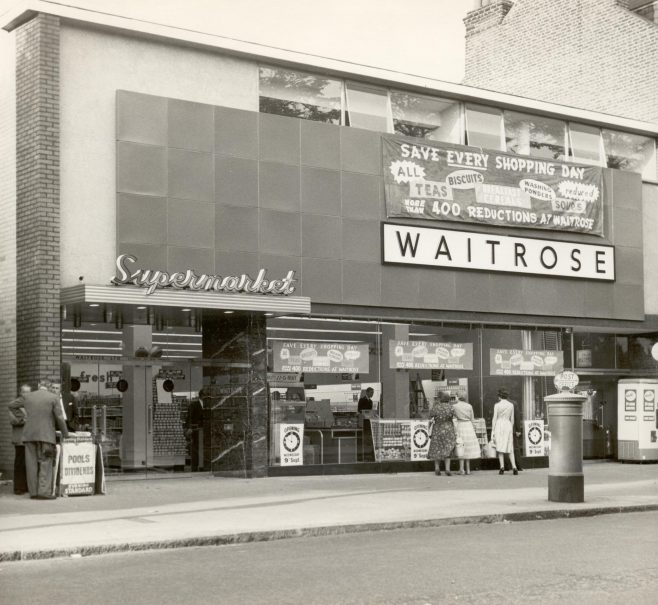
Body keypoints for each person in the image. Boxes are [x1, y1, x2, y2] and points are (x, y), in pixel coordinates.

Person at [10, 377, 69, 499]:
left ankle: (33, 492)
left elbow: (11, 405)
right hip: (46, 435)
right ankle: (44, 492)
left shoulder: (28, 397)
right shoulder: (53, 398)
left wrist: (22, 417)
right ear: (48, 386)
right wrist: (66, 433)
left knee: (31, 464)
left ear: (38, 385)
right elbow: (59, 417)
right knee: (46, 462)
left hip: (29, 435)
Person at [8, 384, 31, 495]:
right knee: (19, 463)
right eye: (25, 392)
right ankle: (18, 487)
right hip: (20, 438)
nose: (27, 394)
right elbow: (13, 421)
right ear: (20, 393)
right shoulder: (16, 405)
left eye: (29, 392)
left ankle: (26, 486)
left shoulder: (29, 405)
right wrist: (24, 419)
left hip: (29, 438)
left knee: (27, 463)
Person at [491, 388, 519, 475]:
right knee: (510, 447)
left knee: (500, 447)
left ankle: (502, 467)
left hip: (499, 425)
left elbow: (494, 418)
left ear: (500, 396)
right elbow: (512, 418)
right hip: (508, 425)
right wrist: (511, 427)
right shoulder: (511, 405)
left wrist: (493, 430)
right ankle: (514, 467)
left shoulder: (497, 405)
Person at [452, 395, 481, 475]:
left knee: (460, 447)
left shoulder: (454, 406)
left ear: (458, 397)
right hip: (469, 426)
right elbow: (472, 419)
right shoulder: (469, 406)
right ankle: (468, 469)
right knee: (468, 447)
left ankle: (461, 469)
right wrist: (474, 428)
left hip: (460, 425)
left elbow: (453, 418)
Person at [428, 395, 456, 476]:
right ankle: (447, 469)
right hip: (448, 429)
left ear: (440, 399)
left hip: (437, 429)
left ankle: (437, 468)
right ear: (448, 400)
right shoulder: (451, 407)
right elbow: (455, 417)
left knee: (437, 448)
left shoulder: (435, 407)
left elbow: (430, 417)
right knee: (448, 449)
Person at [185, 388, 206, 472]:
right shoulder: (193, 405)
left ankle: (203, 467)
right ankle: (194, 468)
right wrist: (189, 428)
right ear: (201, 396)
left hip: (205, 432)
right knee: (195, 449)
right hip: (196, 431)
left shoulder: (210, 405)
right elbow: (189, 418)